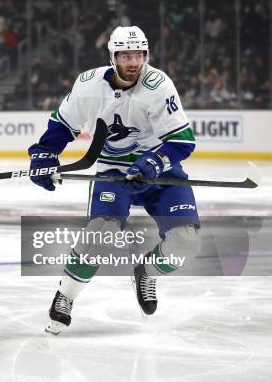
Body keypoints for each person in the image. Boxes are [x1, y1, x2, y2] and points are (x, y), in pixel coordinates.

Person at [28, 26, 201, 333]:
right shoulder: (89, 84)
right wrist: (45, 153)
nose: (133, 62)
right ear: (113, 57)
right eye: (125, 55)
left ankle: (146, 272)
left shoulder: (159, 85)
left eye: (138, 55)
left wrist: (154, 162)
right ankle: (65, 295)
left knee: (185, 242)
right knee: (101, 234)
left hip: (158, 171)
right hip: (112, 172)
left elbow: (182, 142)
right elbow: (62, 124)